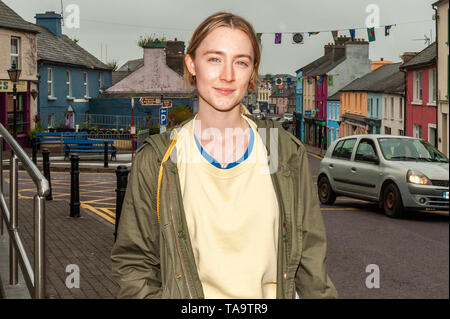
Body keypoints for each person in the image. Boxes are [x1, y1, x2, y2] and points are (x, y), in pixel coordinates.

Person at [111, 12, 337, 299]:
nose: (227, 75)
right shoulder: (160, 158)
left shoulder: (281, 149)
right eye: (214, 59)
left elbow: (312, 263)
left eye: (241, 62)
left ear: (252, 72)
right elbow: (134, 262)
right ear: (192, 64)